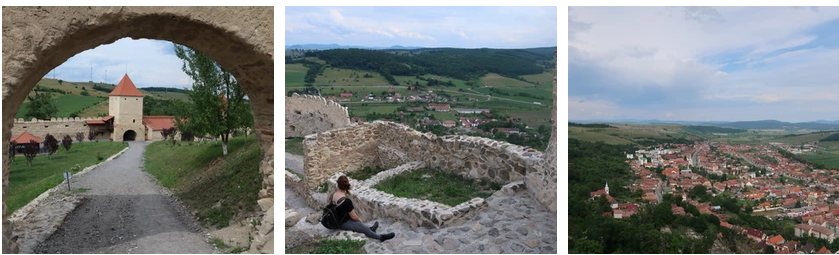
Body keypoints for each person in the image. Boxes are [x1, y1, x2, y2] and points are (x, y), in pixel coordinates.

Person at [330, 175, 396, 242]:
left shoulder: (333, 195)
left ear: (337, 185)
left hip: (338, 219)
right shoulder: (346, 201)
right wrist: (359, 220)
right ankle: (381, 237)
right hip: (343, 223)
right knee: (363, 228)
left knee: (362, 226)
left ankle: (371, 229)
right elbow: (353, 216)